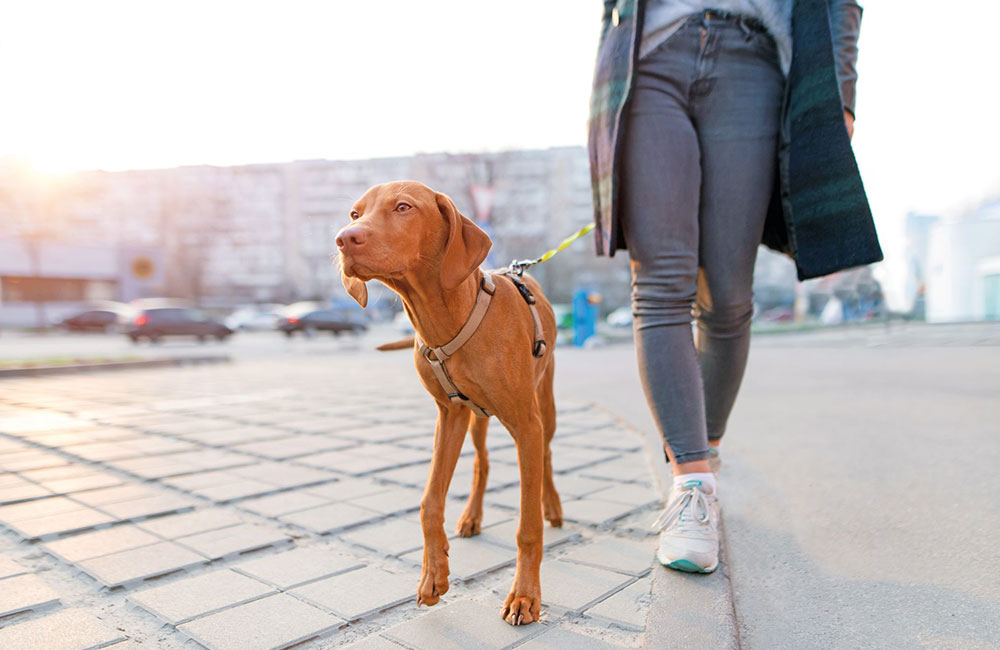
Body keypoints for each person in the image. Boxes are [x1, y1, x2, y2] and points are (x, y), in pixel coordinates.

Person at [587, 0, 882, 573]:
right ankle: (692, 484)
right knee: (661, 281)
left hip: (756, 65)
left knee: (727, 296)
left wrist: (841, 93)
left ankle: (704, 455)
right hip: (649, 60)